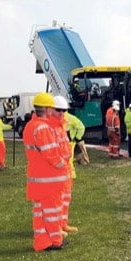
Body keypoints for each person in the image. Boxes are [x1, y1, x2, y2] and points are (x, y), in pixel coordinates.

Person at [23, 92, 69, 252]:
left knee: (40, 213)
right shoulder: (43, 128)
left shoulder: (31, 125)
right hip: (50, 179)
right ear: (48, 109)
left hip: (37, 177)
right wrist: (63, 164)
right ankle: (56, 240)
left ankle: (42, 241)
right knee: (52, 212)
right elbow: (52, 154)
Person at [52, 96, 79, 234]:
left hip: (65, 169)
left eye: (64, 110)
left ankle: (63, 223)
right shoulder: (50, 127)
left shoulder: (62, 125)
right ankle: (55, 227)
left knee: (65, 199)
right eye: (58, 110)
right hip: (56, 170)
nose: (62, 113)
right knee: (55, 201)